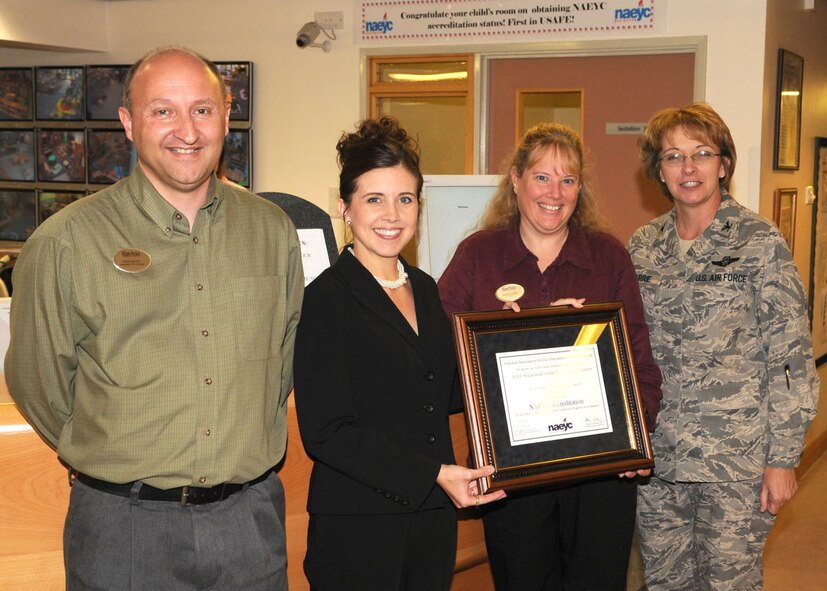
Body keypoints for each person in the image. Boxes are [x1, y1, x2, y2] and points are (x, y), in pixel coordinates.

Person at [5, 47, 303, 590]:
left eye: (202, 110)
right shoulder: (66, 242)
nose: (186, 131)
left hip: (249, 525)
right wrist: (111, 450)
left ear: (226, 117)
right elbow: (38, 383)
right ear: (128, 122)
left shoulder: (272, 231)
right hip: (123, 530)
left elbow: (281, 362)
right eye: (163, 111)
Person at [439, 122, 662, 590]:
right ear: (515, 180)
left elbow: (639, 360)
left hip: (600, 473)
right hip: (513, 475)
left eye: (568, 179)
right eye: (541, 177)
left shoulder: (608, 257)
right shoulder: (478, 256)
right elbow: (440, 357)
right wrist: (507, 337)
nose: (554, 193)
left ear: (580, 188)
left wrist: (636, 435)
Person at [293, 116, 505, 590]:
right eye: (374, 199)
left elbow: (444, 393)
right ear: (345, 209)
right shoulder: (325, 298)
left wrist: (509, 339)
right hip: (359, 528)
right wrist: (433, 474)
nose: (391, 214)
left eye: (405, 199)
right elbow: (327, 431)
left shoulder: (426, 290)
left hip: (430, 522)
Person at [627, 102, 819, 590]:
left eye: (702, 154)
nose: (688, 168)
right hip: (658, 459)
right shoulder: (643, 246)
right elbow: (625, 344)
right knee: (665, 582)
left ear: (724, 164)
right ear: (659, 170)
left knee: (729, 584)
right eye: (673, 157)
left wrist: (783, 458)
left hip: (736, 460)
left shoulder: (759, 242)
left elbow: (791, 359)